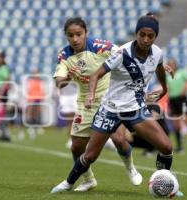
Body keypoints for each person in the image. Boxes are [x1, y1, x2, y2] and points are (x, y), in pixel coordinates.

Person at [51, 13, 182, 197]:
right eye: (142, 35)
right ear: (136, 34)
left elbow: (159, 67)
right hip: (109, 108)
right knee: (88, 155)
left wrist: (164, 88)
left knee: (166, 147)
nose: (145, 39)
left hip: (134, 109)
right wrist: (86, 93)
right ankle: (69, 182)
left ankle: (164, 184)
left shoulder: (156, 53)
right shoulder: (121, 53)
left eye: (150, 36)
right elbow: (94, 75)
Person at [52, 17, 142, 192]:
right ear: (66, 36)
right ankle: (88, 180)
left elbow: (127, 54)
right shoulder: (64, 55)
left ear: (86, 33)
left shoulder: (102, 47)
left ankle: (130, 167)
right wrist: (68, 78)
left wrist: (155, 67)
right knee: (77, 146)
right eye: (70, 35)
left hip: (111, 101)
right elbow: (59, 82)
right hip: (85, 104)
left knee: (118, 139)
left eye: (79, 34)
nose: (75, 39)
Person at [0, 51, 11, 142]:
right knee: (0, 113)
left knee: (2, 113)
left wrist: (2, 90)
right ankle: (3, 133)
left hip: (2, 93)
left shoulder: (4, 68)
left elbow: (7, 79)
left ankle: (5, 133)